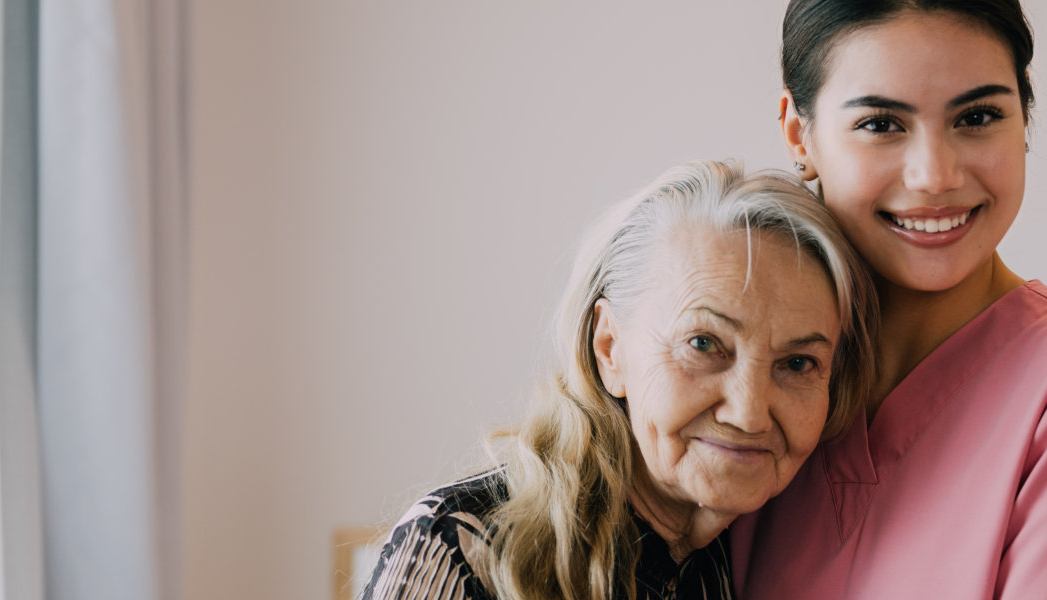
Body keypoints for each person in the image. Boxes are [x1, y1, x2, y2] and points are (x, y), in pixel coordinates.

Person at [732, 1, 1047, 598]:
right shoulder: (740, 377)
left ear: (1024, 118)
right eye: (881, 123)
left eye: (977, 116)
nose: (935, 175)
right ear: (800, 134)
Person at [360, 160, 877, 600]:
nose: (748, 412)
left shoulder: (760, 552)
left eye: (797, 364)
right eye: (703, 344)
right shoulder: (461, 548)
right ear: (609, 348)